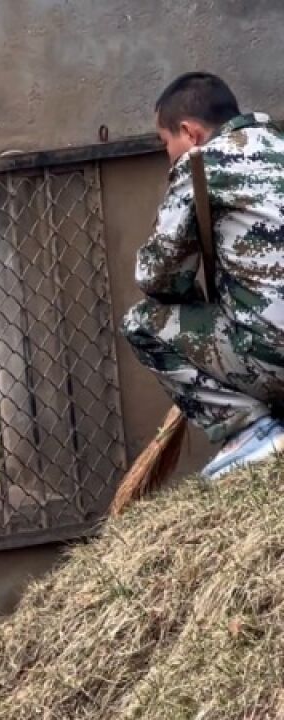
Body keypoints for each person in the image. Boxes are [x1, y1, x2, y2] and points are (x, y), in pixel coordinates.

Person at [122, 71, 284, 482]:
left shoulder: (204, 163)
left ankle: (254, 432)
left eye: (165, 145)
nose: (168, 156)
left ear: (189, 132)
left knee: (142, 324)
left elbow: (158, 277)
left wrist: (189, 295)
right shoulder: (279, 146)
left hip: (272, 354)